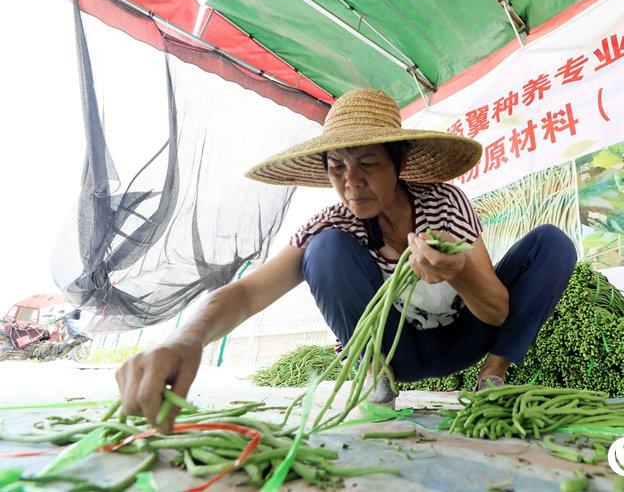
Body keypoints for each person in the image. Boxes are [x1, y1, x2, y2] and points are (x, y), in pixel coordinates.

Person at [116, 88, 577, 431]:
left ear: (399, 164)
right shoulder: (332, 222)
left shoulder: (443, 203)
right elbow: (246, 293)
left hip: (466, 338)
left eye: (368, 164)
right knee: (325, 249)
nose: (351, 181)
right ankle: (378, 379)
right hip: (397, 352)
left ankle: (492, 378)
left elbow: (496, 309)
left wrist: (459, 273)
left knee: (551, 243)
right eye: (337, 166)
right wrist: (189, 337)